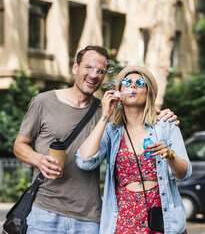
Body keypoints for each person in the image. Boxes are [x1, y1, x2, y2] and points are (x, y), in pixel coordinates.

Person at [13, 46, 178, 234]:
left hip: (89, 218)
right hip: (44, 213)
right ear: (76, 67)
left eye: (100, 71)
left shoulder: (108, 111)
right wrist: (38, 159)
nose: (94, 74)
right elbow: (19, 145)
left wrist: (163, 114)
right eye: (88, 67)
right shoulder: (43, 102)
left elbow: (140, 116)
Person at [76, 65, 192, 233]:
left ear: (148, 92)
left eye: (139, 82)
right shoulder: (111, 131)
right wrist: (105, 115)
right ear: (119, 93)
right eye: (127, 82)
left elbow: (184, 174)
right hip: (124, 218)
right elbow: (84, 161)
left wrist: (170, 156)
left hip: (161, 217)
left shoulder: (166, 127)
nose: (133, 86)